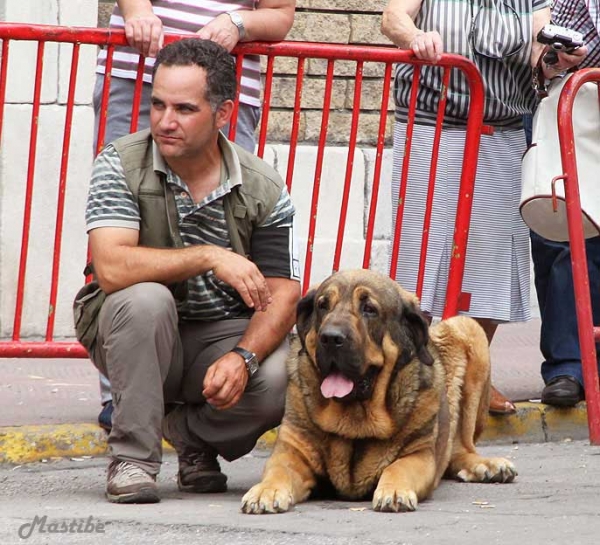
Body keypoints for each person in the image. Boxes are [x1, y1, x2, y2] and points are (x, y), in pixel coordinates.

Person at [74, 38, 301, 503]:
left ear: (223, 114)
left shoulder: (263, 186)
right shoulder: (120, 163)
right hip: (133, 329)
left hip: (216, 338)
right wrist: (209, 255)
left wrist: (243, 358)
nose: (164, 121)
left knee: (287, 373)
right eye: (157, 104)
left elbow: (283, 292)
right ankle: (133, 459)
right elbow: (112, 267)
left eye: (183, 108)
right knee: (146, 299)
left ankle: (192, 438)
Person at [381, 0, 586, 415]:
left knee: (489, 264)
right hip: (430, 124)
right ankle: (409, 374)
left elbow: (535, 55)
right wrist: (414, 37)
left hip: (501, 128)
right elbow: (392, 18)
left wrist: (555, 59)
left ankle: (471, 374)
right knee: (420, 259)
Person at [530, 0, 600, 407]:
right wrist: (552, 58)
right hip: (567, 107)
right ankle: (568, 366)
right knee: (560, 236)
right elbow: (540, 52)